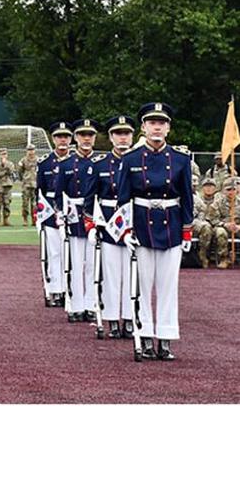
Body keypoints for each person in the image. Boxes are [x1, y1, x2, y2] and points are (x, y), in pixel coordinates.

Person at [114, 102, 193, 361]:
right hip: (141, 226)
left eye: (162, 122)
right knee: (143, 286)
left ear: (168, 128)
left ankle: (167, 338)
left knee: (169, 286)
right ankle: (145, 337)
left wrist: (187, 231)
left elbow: (187, 198)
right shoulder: (130, 159)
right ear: (143, 127)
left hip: (171, 225)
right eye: (152, 122)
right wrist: (125, 230)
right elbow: (123, 199)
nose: (157, 127)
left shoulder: (181, 160)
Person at [83, 116, 136, 338]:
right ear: (111, 137)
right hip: (108, 225)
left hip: (135, 224)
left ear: (133, 136)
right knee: (111, 275)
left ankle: (131, 318)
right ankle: (112, 318)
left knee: (133, 275)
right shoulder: (99, 165)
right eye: (118, 133)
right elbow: (89, 198)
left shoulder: (138, 160)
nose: (122, 137)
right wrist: (91, 225)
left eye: (126, 133)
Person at [57, 119, 101, 323]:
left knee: (93, 264)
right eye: (82, 135)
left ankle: (92, 304)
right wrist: (62, 214)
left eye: (90, 135)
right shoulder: (66, 164)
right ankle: (76, 305)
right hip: (74, 217)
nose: (86, 139)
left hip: (95, 217)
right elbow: (58, 194)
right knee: (74, 263)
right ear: (75, 138)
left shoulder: (100, 163)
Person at [36, 122, 73, 308]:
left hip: (72, 213)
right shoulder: (44, 163)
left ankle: (70, 289)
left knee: (72, 255)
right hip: (50, 212)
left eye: (66, 136)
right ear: (53, 139)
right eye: (59, 136)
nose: (63, 140)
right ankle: (57, 290)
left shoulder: (76, 162)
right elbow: (40, 190)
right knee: (54, 253)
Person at [207, 177, 239, 269]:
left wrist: (238, 227)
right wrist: (225, 225)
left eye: (233, 189)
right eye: (228, 189)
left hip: (237, 227)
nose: (231, 192)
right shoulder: (217, 203)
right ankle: (223, 258)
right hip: (223, 227)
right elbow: (212, 219)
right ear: (224, 191)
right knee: (220, 232)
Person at [194, 177, 222, 268]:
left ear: (215, 188)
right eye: (206, 186)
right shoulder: (198, 199)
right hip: (202, 224)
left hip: (218, 224)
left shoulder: (220, 200)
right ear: (202, 188)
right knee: (206, 229)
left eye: (211, 186)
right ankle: (203, 257)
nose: (209, 188)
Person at [0, 147, 16, 227]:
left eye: (5, 154)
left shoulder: (10, 164)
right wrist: (2, 170)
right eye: (2, 154)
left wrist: (5, 165)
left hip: (7, 185)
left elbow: (11, 171)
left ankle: (6, 219)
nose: (3, 156)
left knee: (7, 203)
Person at [17, 144, 38, 226]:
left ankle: (34, 219)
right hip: (26, 184)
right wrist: (23, 179)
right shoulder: (23, 160)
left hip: (36, 184)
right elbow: (19, 171)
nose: (31, 152)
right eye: (29, 150)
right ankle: (25, 219)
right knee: (25, 203)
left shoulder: (38, 160)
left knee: (35, 204)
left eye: (32, 150)